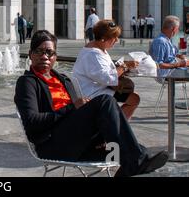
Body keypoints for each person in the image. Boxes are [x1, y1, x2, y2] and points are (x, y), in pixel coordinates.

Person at [14, 30, 168, 177]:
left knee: (134, 150)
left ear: (55, 57)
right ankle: (136, 161)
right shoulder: (28, 83)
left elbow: (78, 116)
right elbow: (32, 122)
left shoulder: (63, 80)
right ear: (30, 55)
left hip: (79, 144)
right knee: (105, 101)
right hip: (53, 146)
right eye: (39, 51)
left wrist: (100, 136)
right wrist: (72, 107)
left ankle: (133, 162)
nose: (45, 56)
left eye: (50, 52)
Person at [72, 20, 140, 120]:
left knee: (134, 98)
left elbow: (103, 71)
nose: (116, 40)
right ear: (103, 39)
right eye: (114, 37)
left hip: (97, 88)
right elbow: (107, 77)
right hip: (93, 92)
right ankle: (116, 127)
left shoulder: (96, 47)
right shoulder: (93, 54)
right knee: (134, 99)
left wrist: (121, 67)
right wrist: (125, 66)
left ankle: (117, 125)